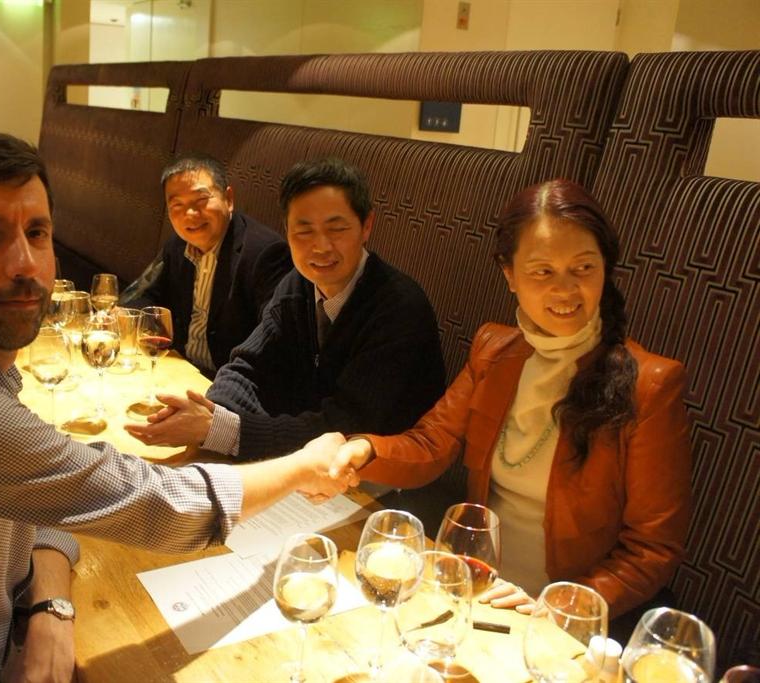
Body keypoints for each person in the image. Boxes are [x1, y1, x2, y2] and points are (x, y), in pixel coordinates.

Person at [0, 130, 352, 682]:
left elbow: (41, 514)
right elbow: (160, 505)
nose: (24, 263)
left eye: (36, 232)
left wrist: (50, 609)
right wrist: (304, 466)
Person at [329, 178, 692, 622]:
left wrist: (561, 605)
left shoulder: (650, 385)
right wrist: (364, 449)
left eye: (583, 268)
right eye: (542, 271)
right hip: (475, 586)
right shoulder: (494, 352)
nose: (565, 290)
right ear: (510, 275)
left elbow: (652, 547)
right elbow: (432, 444)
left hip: (561, 616)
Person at [127, 157, 446, 461]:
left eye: (336, 229)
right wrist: (209, 411)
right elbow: (248, 367)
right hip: (304, 455)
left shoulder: (398, 308)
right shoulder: (298, 284)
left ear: (366, 226)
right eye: (304, 230)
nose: (320, 246)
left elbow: (348, 424)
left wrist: (220, 429)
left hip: (380, 477)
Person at [121, 154, 291, 376]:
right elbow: (141, 294)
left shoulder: (265, 253)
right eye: (177, 204)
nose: (190, 214)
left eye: (201, 200)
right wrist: (122, 316)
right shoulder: (177, 245)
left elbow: (272, 341)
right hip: (179, 366)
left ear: (228, 199)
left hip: (227, 380)